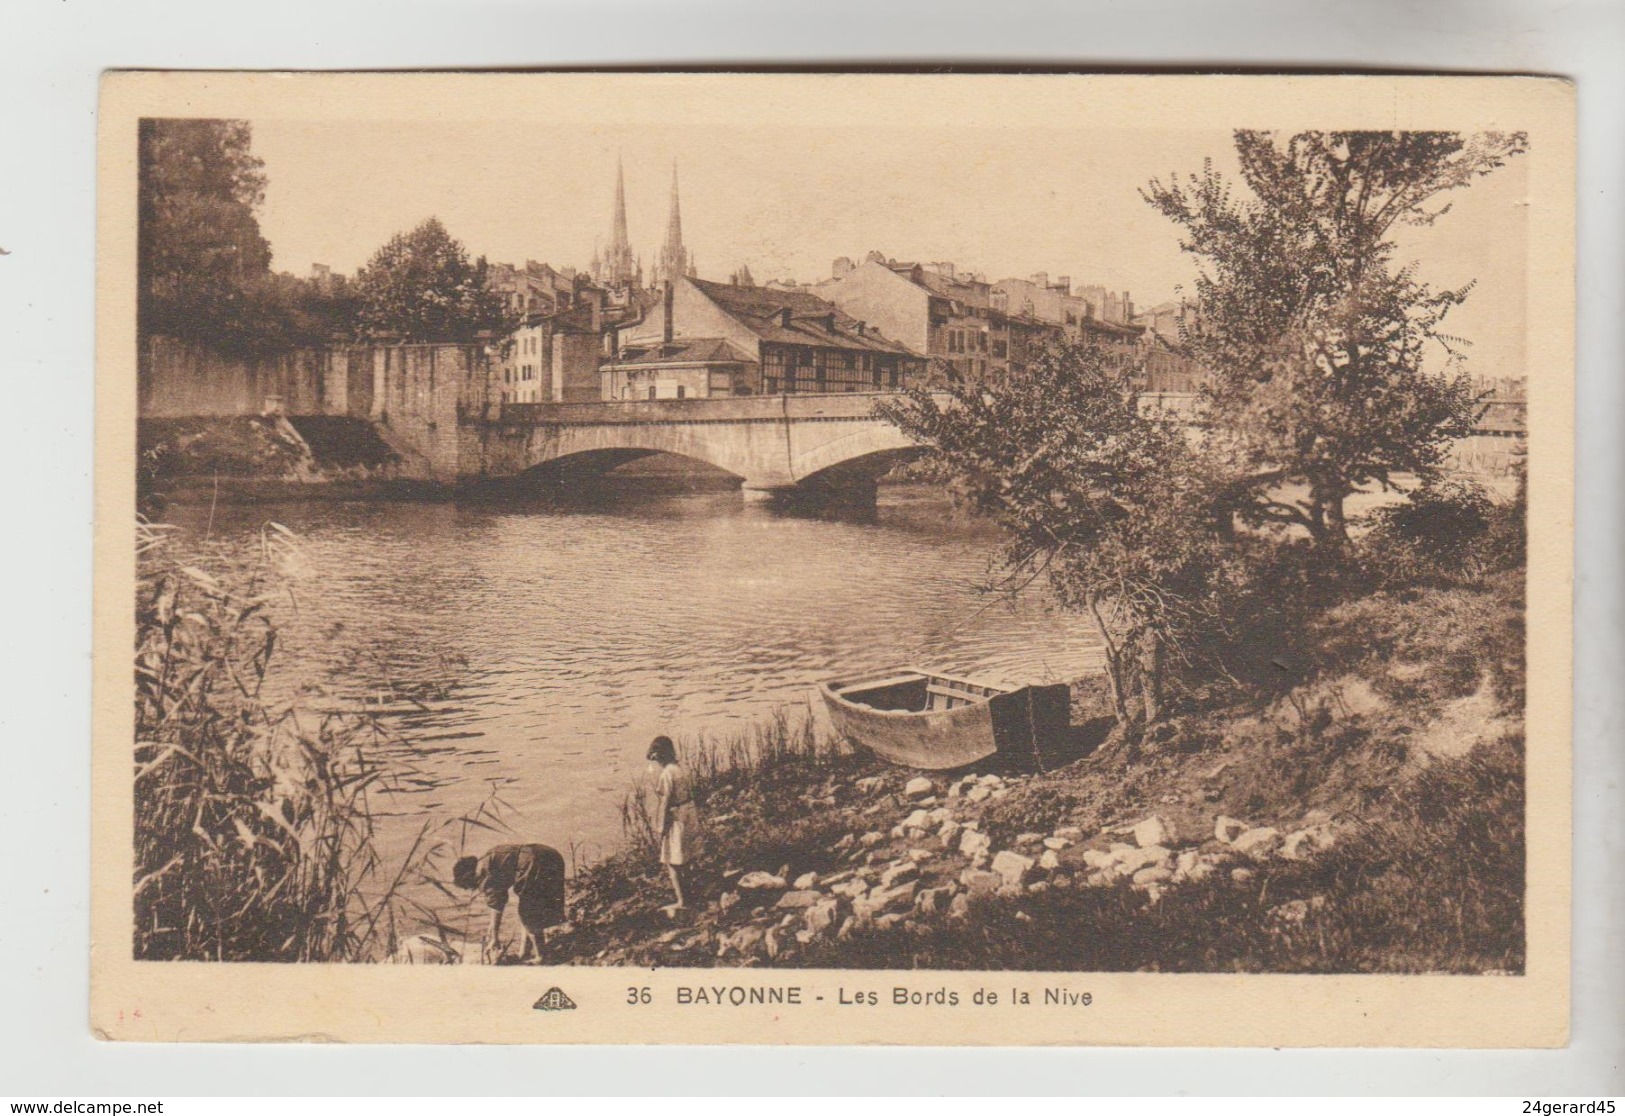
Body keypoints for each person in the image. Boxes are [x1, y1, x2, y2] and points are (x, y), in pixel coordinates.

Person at [452, 843, 567, 963]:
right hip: (550, 855)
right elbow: (498, 899)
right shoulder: (489, 855)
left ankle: (541, 956)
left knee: (528, 913)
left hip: (533, 861)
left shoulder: (484, 872)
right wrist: (492, 931)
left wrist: (494, 938)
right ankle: (524, 953)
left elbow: (497, 907)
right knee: (530, 910)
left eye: (468, 886)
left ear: (468, 876)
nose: (474, 888)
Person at [647, 735, 699, 914]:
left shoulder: (667, 773)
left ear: (659, 756)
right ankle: (690, 895)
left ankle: (682, 901)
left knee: (673, 862)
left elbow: (666, 802)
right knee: (687, 857)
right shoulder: (680, 769)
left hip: (677, 816)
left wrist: (661, 827)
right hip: (689, 812)